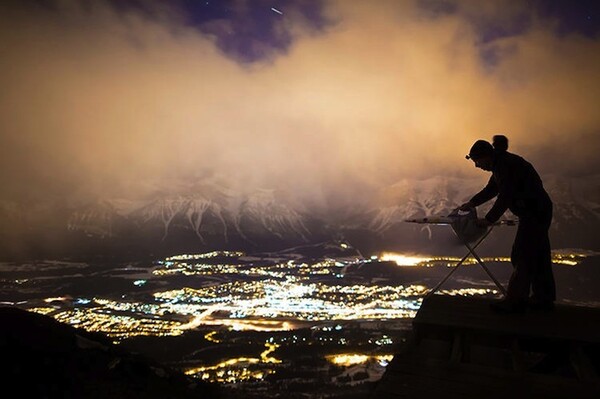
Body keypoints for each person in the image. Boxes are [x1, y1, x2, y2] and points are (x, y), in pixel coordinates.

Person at [459, 135, 555, 313]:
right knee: (538, 254)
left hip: (533, 213)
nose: (477, 166)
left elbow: (505, 195)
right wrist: (472, 203)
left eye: (477, 161)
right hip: (538, 211)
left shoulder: (505, 166)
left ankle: (516, 301)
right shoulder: (502, 164)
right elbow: (492, 189)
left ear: (486, 156)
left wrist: (488, 220)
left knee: (521, 254)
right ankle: (543, 299)